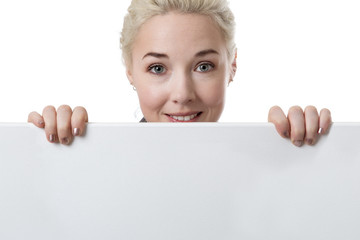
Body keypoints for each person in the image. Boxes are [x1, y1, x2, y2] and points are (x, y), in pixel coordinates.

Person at [27, 0, 331, 147]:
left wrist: (300, 157)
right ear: (130, 72)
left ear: (232, 66)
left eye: (203, 66)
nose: (183, 94)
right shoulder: (94, 167)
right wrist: (47, 154)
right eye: (157, 68)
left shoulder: (266, 165)